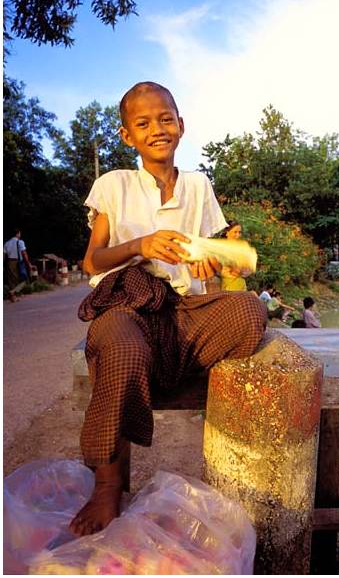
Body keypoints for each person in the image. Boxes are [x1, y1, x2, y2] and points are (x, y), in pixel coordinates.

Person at [69, 81, 267, 537]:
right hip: (126, 302)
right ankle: (107, 485)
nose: (156, 128)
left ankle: (152, 360)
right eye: (143, 123)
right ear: (127, 136)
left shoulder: (198, 186)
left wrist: (217, 259)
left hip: (181, 310)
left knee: (248, 313)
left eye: (165, 119)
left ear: (181, 125)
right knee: (121, 345)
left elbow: (214, 264)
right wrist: (140, 245)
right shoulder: (113, 185)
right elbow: (91, 261)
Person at [219, 221, 251, 291]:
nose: (238, 235)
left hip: (241, 284)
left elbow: (248, 270)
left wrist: (243, 270)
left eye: (239, 232)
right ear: (227, 233)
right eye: (235, 232)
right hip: (227, 284)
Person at [3, 229, 33, 302]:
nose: (20, 235)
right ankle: (13, 292)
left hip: (10, 262)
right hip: (19, 262)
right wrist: (29, 264)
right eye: (19, 233)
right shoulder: (20, 242)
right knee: (25, 279)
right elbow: (24, 253)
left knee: (11, 280)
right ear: (17, 234)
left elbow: (3, 255)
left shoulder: (7, 243)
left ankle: (13, 297)